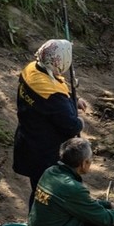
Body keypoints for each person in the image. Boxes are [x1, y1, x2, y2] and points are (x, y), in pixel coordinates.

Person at [13, 38, 80, 192]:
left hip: (26, 142)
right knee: (45, 194)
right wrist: (80, 122)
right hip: (44, 154)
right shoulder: (53, 96)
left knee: (38, 189)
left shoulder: (31, 70)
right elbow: (71, 126)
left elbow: (48, 100)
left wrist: (72, 99)